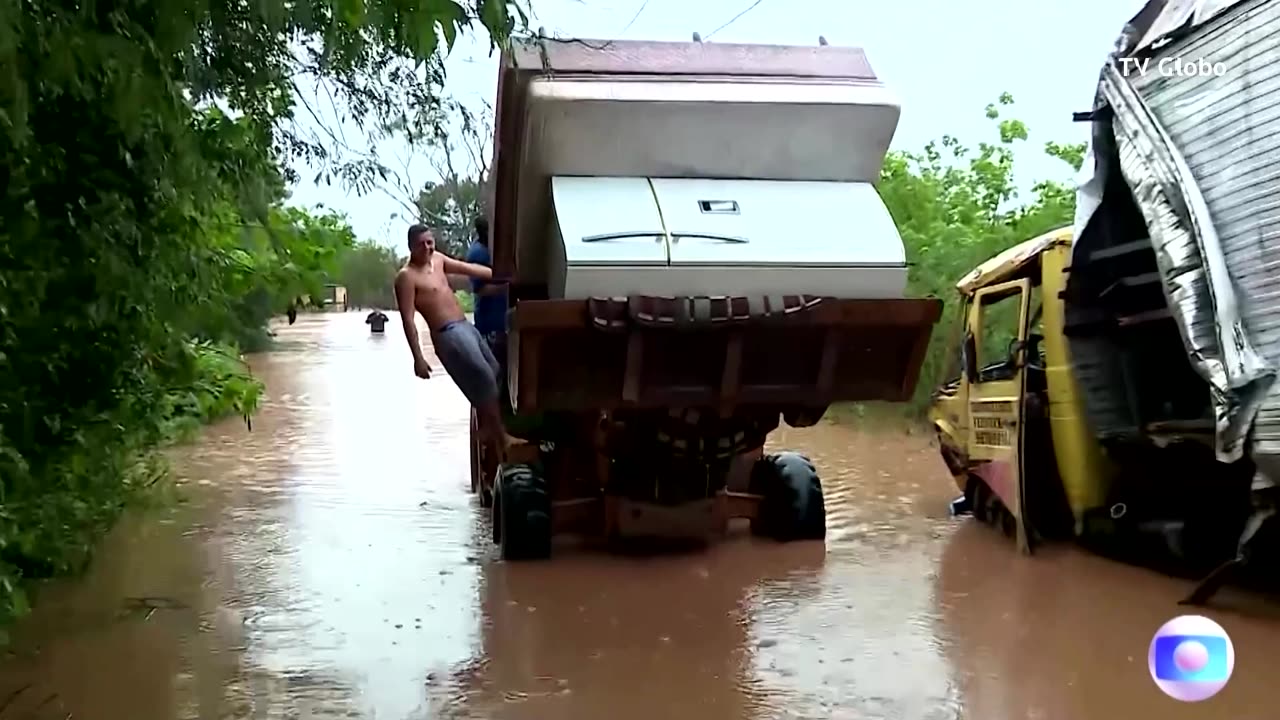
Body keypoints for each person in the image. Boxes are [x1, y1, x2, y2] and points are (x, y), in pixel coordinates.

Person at [394, 224, 507, 460]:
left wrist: (502, 275)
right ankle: (502, 437)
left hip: (465, 325)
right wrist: (418, 359)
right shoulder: (406, 277)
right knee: (484, 377)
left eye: (429, 242)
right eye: (421, 244)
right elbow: (408, 320)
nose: (427, 248)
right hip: (447, 332)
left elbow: (470, 269)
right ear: (410, 247)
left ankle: (487, 427)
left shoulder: (438, 260)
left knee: (495, 371)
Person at [464, 217, 509, 353]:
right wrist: (507, 287)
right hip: (490, 325)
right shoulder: (478, 253)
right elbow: (480, 289)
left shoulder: (495, 249)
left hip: (502, 322)